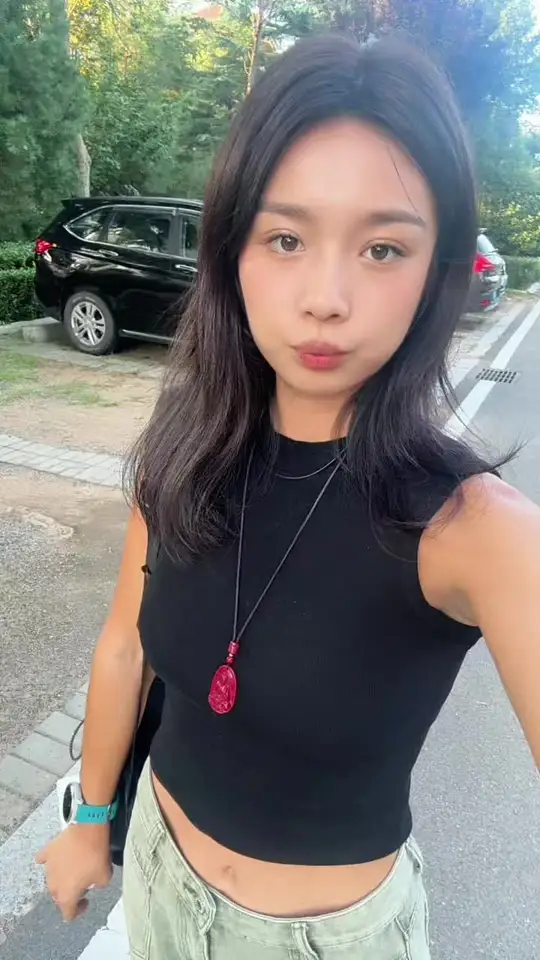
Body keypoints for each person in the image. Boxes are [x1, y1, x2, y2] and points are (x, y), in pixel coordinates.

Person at [36, 32, 540, 959]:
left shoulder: (476, 530)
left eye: (383, 247)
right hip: (155, 872)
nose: (326, 297)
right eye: (286, 238)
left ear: (437, 271)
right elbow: (126, 645)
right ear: (233, 251)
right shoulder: (184, 451)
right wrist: (90, 819)